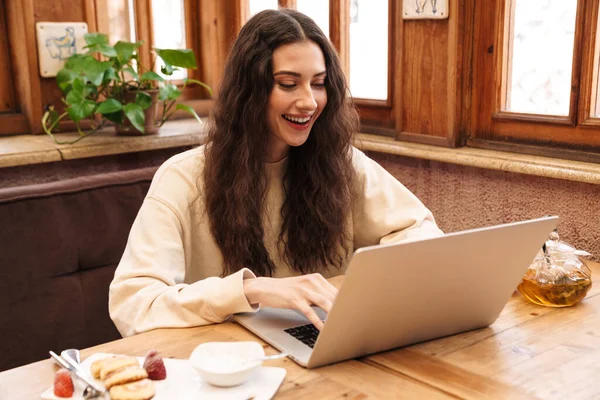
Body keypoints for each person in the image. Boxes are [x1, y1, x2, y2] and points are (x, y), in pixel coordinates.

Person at [109, 9, 443, 337]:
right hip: (226, 364)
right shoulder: (182, 179)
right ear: (248, 92)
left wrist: (363, 288)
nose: (309, 102)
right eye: (288, 84)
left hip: (323, 343)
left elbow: (421, 233)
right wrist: (251, 290)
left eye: (319, 84)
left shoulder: (340, 162)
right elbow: (133, 305)